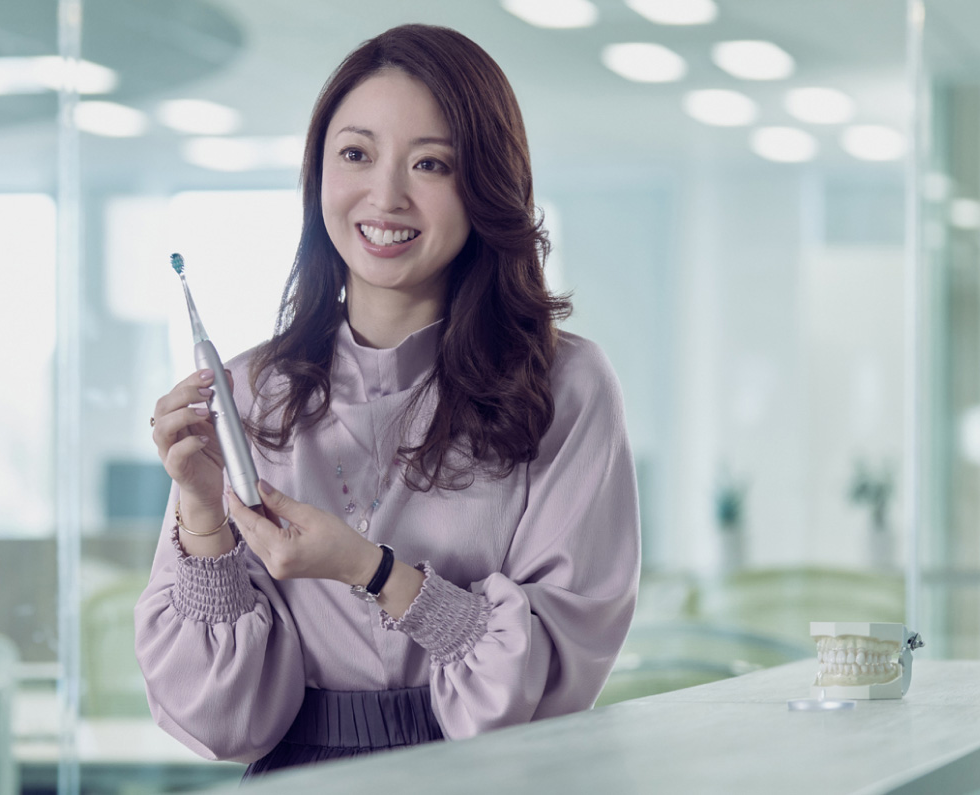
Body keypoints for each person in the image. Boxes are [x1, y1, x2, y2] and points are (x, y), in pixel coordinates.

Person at [135, 23, 639, 777]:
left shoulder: (566, 386)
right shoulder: (243, 394)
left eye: (430, 163)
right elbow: (220, 721)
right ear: (318, 177)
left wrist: (371, 570)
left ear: (486, 187)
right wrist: (203, 515)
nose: (386, 195)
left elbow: (546, 685)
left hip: (489, 779)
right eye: (356, 154)